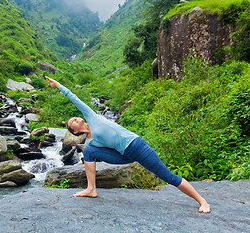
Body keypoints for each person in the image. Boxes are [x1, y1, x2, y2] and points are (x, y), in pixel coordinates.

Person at [45, 76, 211, 213]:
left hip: (137, 146)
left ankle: (202, 200)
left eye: (75, 117)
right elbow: (101, 152)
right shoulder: (91, 142)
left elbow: (73, 97)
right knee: (87, 152)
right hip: (124, 155)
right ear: (74, 132)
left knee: (168, 177)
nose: (76, 118)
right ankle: (91, 189)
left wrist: (58, 85)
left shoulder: (91, 117)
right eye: (72, 121)